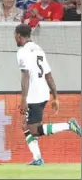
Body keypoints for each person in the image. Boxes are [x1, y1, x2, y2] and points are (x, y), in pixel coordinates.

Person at [15, 23, 81, 166]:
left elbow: (25, 75)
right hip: (43, 92)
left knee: (33, 130)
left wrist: (23, 99)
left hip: (33, 95)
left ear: (18, 36)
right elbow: (49, 75)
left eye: (15, 36)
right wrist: (55, 97)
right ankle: (37, 158)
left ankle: (69, 125)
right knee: (26, 126)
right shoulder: (39, 49)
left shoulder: (22, 51)